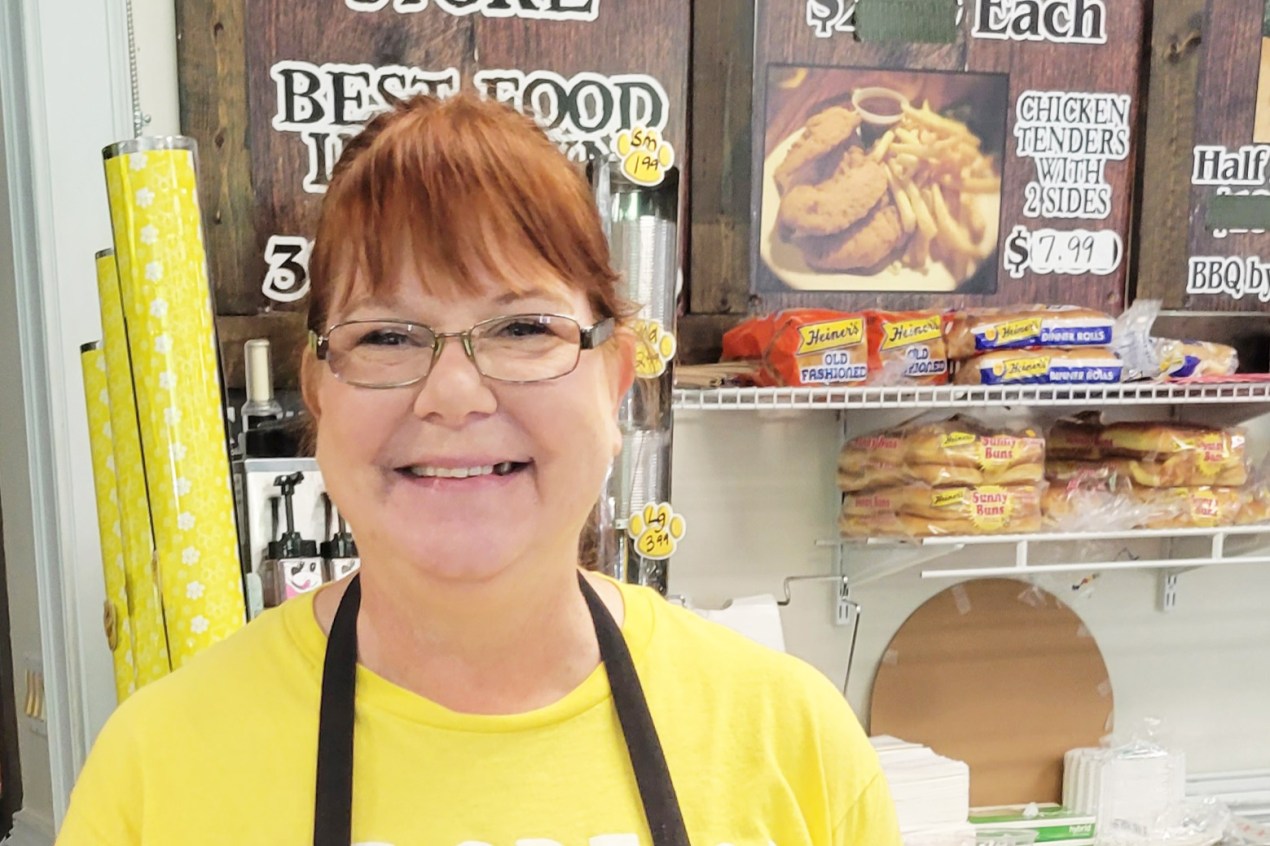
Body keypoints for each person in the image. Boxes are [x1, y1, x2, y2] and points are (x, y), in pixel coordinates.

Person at [58, 92, 902, 845]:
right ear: (319, 396)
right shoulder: (157, 773)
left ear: (613, 382)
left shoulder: (794, 749)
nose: (453, 394)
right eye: (386, 337)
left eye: (522, 329)